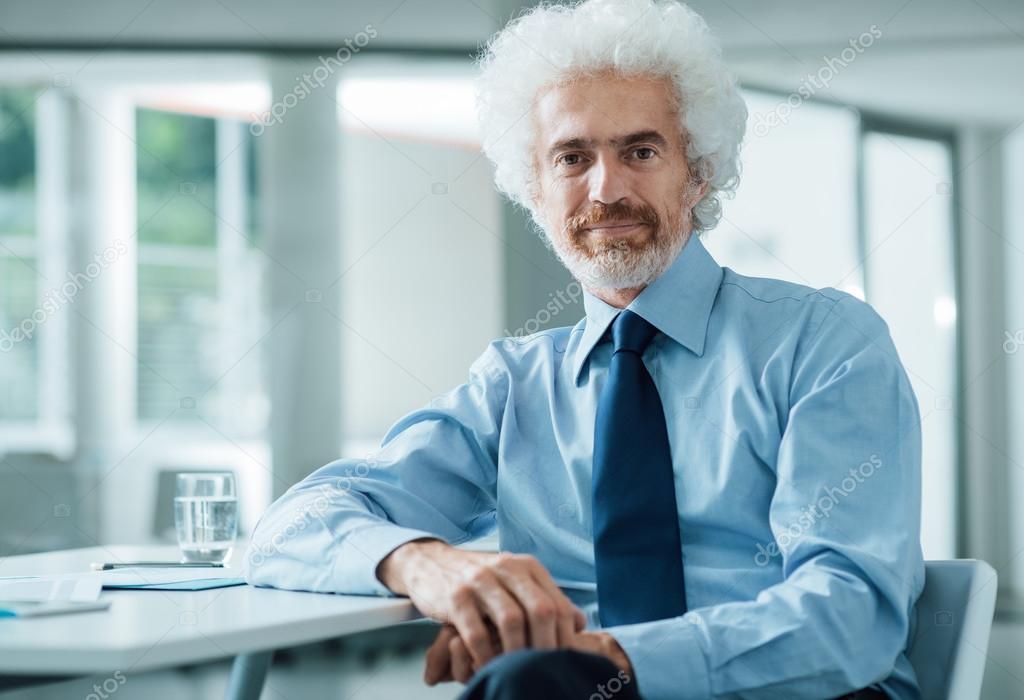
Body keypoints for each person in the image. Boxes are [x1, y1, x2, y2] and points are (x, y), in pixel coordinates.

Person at [244, 1, 925, 697]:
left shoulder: (824, 343)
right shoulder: (514, 383)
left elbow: (852, 614)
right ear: (536, 190)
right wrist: (425, 563)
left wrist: (606, 659)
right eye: (572, 157)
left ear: (698, 172)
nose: (606, 190)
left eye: (641, 150)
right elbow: (287, 529)